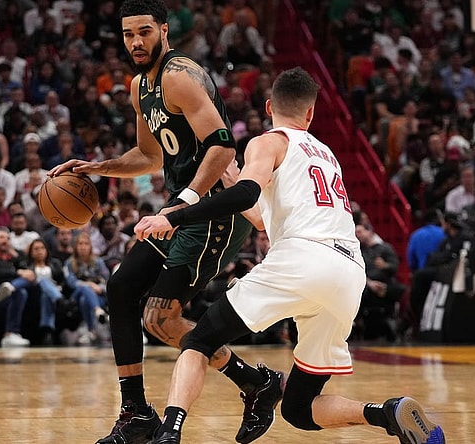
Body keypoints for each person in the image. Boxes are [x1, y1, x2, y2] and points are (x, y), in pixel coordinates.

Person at [135, 67, 444, 444]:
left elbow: (248, 194)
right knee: (299, 408)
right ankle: (387, 413)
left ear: (268, 107)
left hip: (302, 259)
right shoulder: (328, 155)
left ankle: (169, 433)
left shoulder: (267, 142)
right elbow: (264, 221)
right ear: (311, 114)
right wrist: (237, 184)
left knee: (199, 341)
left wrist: (176, 216)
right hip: (348, 273)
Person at [47, 2, 259, 443]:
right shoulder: (139, 85)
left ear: (164, 30)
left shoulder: (180, 74)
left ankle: (256, 383)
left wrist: (180, 202)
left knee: (160, 319)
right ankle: (136, 413)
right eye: (128, 35)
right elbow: (149, 155)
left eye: (145, 32)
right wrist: (95, 168)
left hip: (212, 212)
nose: (136, 42)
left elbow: (222, 146)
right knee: (122, 287)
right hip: (180, 212)